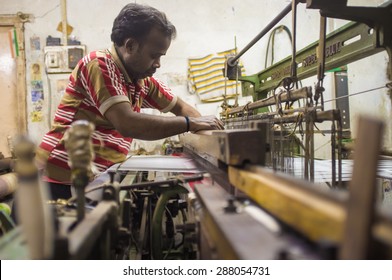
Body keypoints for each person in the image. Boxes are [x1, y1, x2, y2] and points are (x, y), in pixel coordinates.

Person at [36, 3, 224, 200]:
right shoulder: (99, 65)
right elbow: (128, 123)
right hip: (60, 181)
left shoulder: (141, 80)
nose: (158, 64)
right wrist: (190, 124)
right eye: (154, 55)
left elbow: (181, 107)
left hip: (95, 177)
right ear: (130, 46)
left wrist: (210, 140)